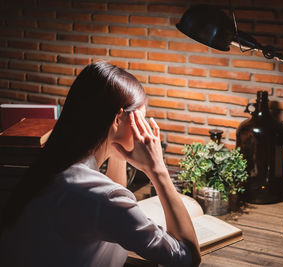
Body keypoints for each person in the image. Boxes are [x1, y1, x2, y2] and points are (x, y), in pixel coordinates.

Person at [0, 62, 201, 267]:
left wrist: (119, 149)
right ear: (117, 119)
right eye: (141, 118)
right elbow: (187, 258)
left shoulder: (52, 166)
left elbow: (109, 201)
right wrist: (157, 169)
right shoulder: (103, 197)